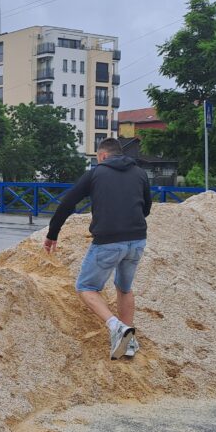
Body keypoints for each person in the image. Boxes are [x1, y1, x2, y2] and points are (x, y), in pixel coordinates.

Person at [44, 137, 152, 360]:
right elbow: (147, 208)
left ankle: (116, 327)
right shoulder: (140, 173)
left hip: (108, 241)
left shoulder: (96, 173)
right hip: (137, 240)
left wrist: (52, 233)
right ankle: (128, 342)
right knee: (124, 288)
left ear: (102, 156)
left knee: (86, 286)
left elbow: (67, 203)